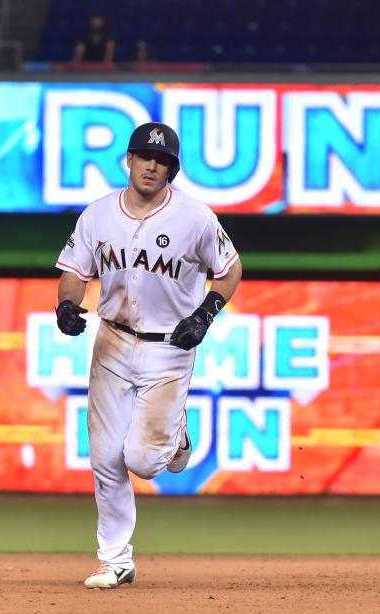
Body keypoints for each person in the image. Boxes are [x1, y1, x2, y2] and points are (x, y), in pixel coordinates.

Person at [54, 122, 242, 589]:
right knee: (104, 457)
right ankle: (114, 558)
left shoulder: (195, 217)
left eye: (162, 161)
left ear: (171, 170)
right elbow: (75, 270)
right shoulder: (97, 215)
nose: (152, 165)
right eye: (144, 156)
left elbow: (230, 269)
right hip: (112, 341)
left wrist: (207, 313)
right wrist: (65, 303)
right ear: (130, 160)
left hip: (169, 348)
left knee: (141, 460)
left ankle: (175, 438)